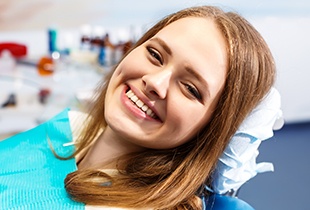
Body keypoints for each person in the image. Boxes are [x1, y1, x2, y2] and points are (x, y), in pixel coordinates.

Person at [0, 5, 278, 210]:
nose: (155, 82)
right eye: (155, 54)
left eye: (190, 88)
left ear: (214, 128)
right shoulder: (68, 125)